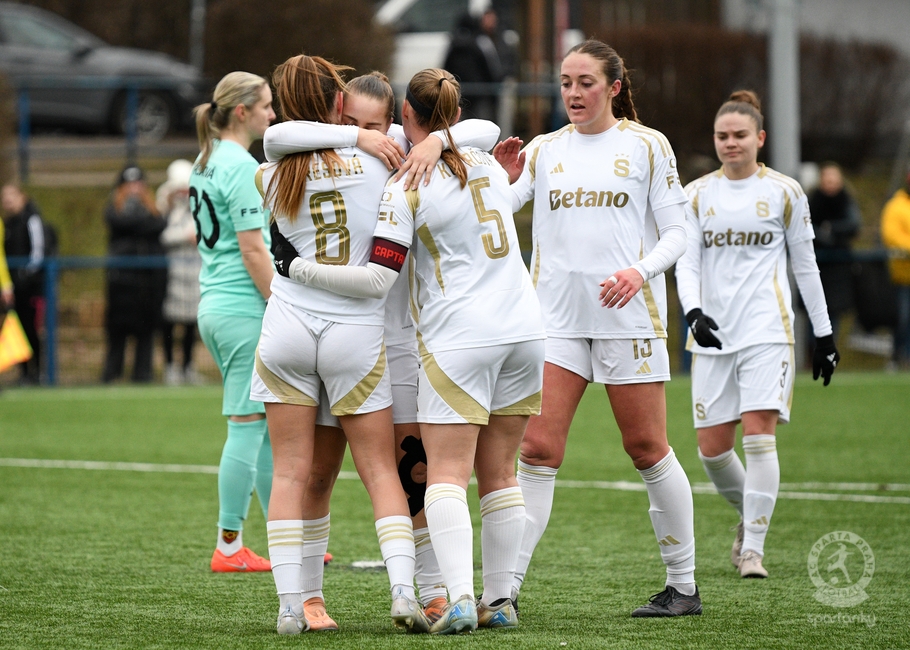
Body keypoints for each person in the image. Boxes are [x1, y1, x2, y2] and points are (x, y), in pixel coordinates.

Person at [270, 66, 545, 634]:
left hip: (406, 333)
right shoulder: (352, 151)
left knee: (417, 468)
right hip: (372, 330)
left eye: (376, 126)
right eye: (353, 123)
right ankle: (316, 599)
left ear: (398, 121)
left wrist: (435, 142)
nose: (367, 135)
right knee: (326, 471)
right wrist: (364, 138)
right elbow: (280, 138)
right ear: (337, 117)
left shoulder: (404, 156)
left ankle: (436, 591)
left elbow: (478, 131)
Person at [493, 39, 699, 617]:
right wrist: (498, 181)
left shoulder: (647, 145)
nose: (573, 93)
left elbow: (677, 233)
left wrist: (640, 271)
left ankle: (683, 586)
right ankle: (504, 591)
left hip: (626, 320)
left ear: (613, 87)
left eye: (585, 82)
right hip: (555, 321)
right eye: (565, 82)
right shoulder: (544, 149)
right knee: (537, 450)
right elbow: (496, 212)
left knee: (646, 448)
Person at [251, 54, 425, 636]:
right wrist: (366, 137)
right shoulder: (383, 160)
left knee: (290, 474)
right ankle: (404, 592)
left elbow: (278, 140)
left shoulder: (270, 173)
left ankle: (289, 606)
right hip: (355, 331)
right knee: (379, 472)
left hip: (287, 329)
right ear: (336, 104)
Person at [675, 90, 840, 579]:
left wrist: (824, 335)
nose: (731, 143)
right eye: (722, 136)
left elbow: (806, 266)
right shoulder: (696, 194)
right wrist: (693, 312)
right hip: (712, 335)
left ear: (760, 138)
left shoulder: (785, 192)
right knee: (711, 450)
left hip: (769, 330)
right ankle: (749, 517)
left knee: (759, 437)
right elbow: (687, 263)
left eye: (740, 135)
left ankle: (753, 551)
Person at [191, 72, 276, 575]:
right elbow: (252, 250)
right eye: (266, 106)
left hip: (217, 305)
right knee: (247, 425)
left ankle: (285, 534)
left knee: (260, 426)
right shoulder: (241, 165)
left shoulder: (205, 159)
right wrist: (281, 304)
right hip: (241, 308)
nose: (273, 114)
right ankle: (228, 546)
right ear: (242, 111)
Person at [101, 167, 167, 384]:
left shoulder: (152, 211)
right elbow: (121, 223)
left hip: (147, 286)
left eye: (139, 184)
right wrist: (143, 223)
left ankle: (143, 375)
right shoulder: (114, 210)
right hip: (121, 285)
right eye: (129, 185)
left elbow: (159, 224)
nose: (134, 189)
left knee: (146, 333)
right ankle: (111, 375)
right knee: (117, 333)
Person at [157, 159, 203, 386]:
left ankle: (188, 367)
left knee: (191, 325)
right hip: (172, 275)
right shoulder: (165, 209)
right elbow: (163, 235)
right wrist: (185, 236)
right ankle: (170, 367)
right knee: (169, 322)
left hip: (194, 275)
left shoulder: (199, 207)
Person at [807, 162, 861, 342]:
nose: (830, 182)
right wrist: (822, 235)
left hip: (838, 266)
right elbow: (804, 226)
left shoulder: (846, 200)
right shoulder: (812, 201)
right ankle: (812, 350)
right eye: (827, 178)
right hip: (815, 264)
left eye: (834, 178)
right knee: (813, 310)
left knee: (833, 312)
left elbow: (854, 225)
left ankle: (829, 347)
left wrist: (831, 229)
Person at [2, 184, 49, 384]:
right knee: (16, 329)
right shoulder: (7, 224)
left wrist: (25, 275)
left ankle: (38, 371)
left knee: (32, 328)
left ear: (22, 197)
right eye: (4, 197)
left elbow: (38, 252)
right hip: (12, 288)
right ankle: (24, 373)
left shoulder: (32, 219)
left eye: (12, 195)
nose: (7, 200)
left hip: (30, 287)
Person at [443, 10, 506, 121]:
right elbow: (491, 67)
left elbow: (445, 67)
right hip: (481, 93)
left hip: (459, 93)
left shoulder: (454, 44)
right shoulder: (481, 41)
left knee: (460, 125)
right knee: (481, 124)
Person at [881, 165, 910, 368]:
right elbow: (892, 236)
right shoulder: (896, 206)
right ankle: (898, 356)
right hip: (903, 276)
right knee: (903, 318)